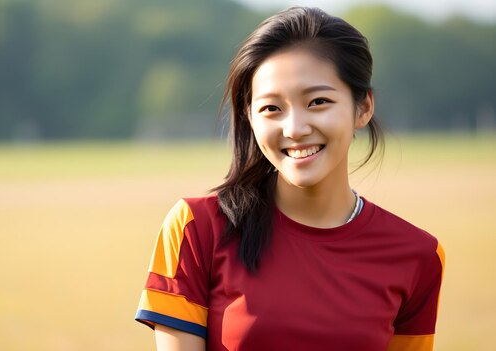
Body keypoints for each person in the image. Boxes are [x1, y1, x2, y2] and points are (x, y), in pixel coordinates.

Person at [134, 6, 444, 351]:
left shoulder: (418, 254)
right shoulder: (196, 228)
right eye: (271, 108)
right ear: (249, 118)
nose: (295, 129)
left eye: (318, 102)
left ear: (363, 107)